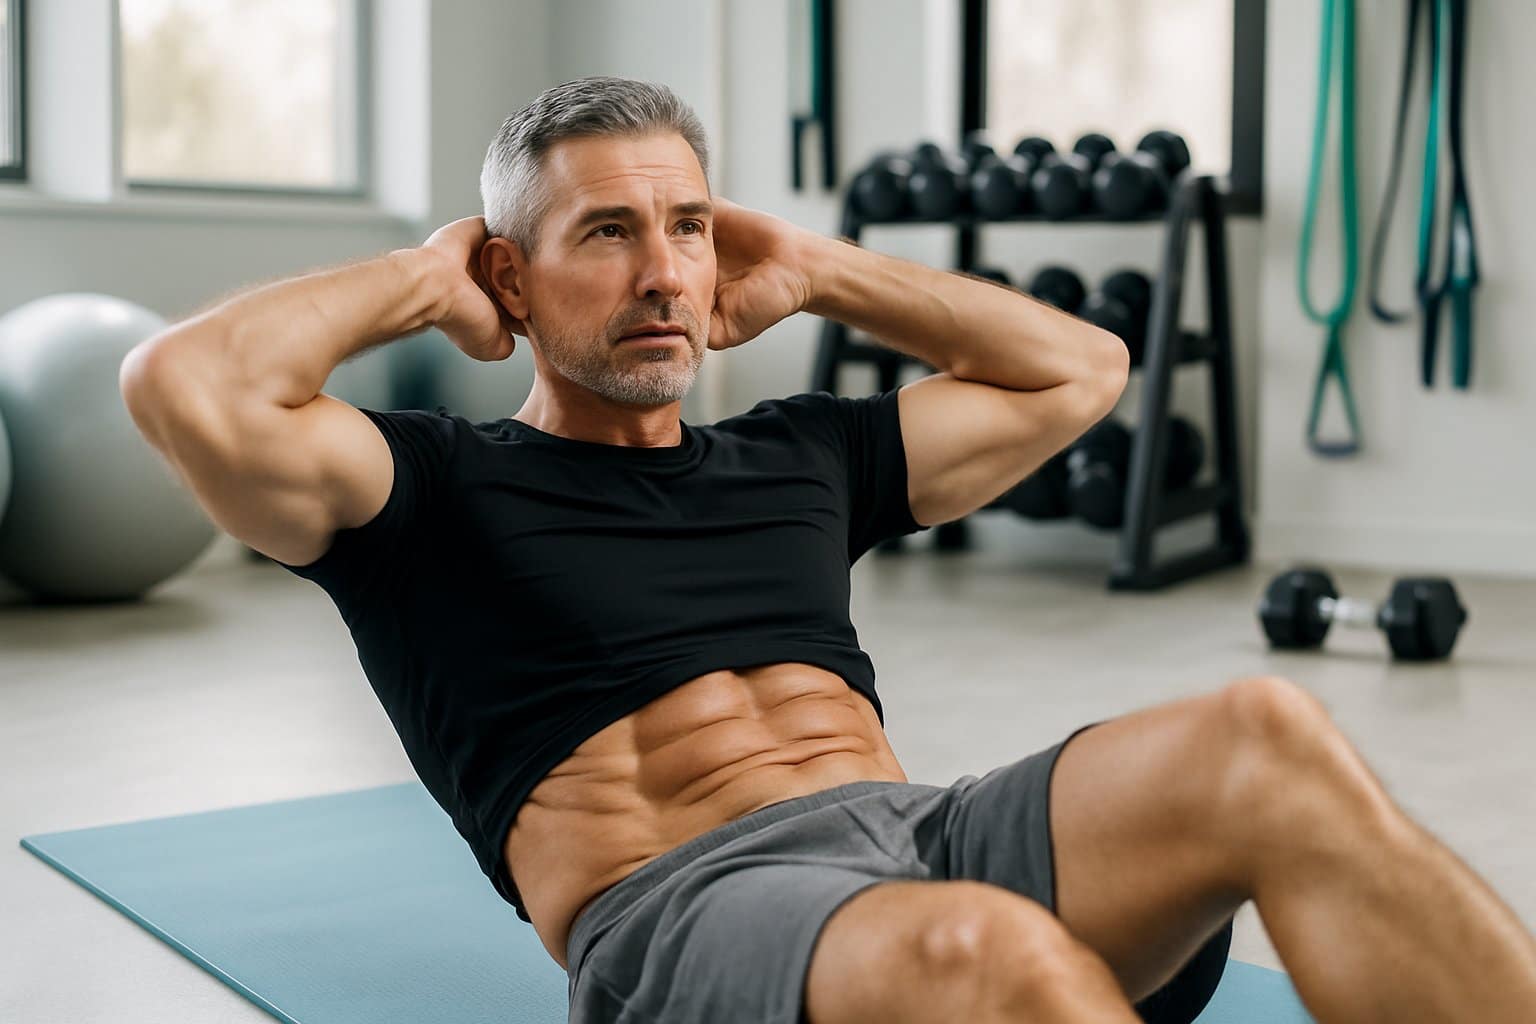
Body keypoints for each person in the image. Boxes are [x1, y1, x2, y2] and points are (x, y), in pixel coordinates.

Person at [120, 76, 1536, 1024]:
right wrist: (429, 279)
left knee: (1267, 734)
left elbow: (1085, 371)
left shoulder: (800, 453)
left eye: (686, 225)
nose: (666, 269)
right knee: (985, 955)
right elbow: (181, 387)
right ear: (512, 273)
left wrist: (821, 267)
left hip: (921, 834)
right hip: (689, 909)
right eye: (607, 233)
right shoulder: (424, 491)